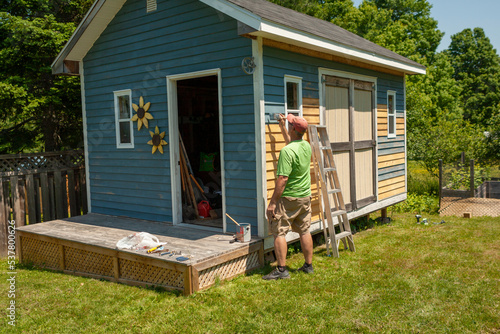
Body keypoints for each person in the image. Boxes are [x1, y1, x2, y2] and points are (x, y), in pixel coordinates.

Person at [263, 113, 314, 280]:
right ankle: (308, 266)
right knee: (305, 231)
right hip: (305, 197)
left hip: (289, 199)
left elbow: (283, 179)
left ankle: (282, 270)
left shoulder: (287, 151)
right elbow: (291, 144)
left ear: (293, 128)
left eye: (290, 124)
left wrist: (272, 203)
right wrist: (281, 125)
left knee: (279, 232)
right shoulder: (306, 145)